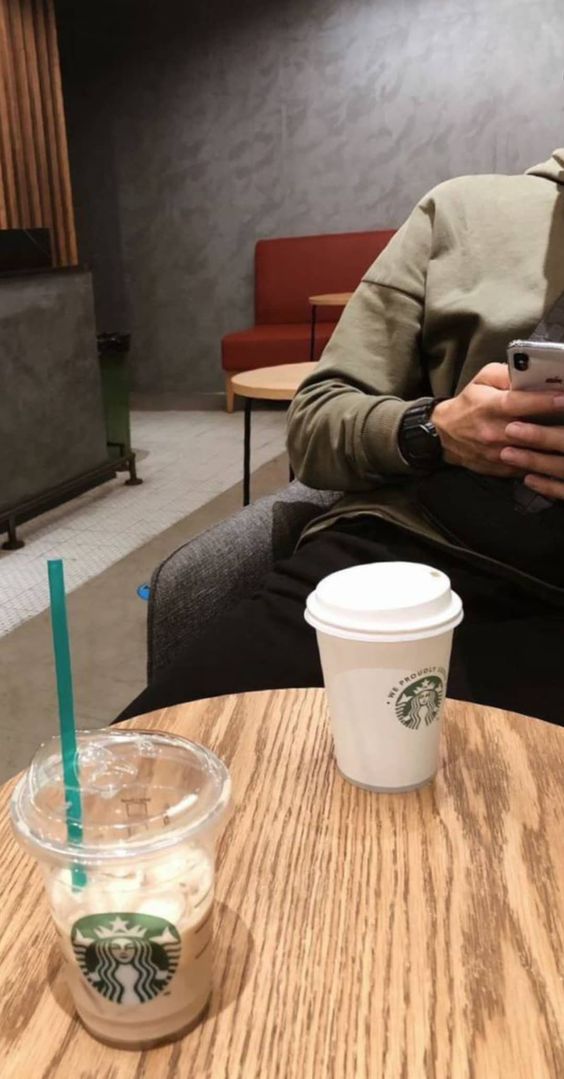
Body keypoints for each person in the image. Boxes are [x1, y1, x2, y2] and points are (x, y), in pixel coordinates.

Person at [119, 149, 564, 727]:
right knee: (151, 761)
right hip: (410, 558)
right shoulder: (463, 213)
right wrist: (435, 429)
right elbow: (315, 422)